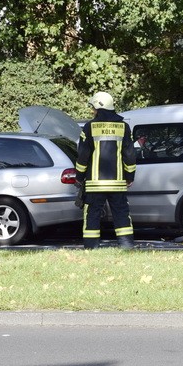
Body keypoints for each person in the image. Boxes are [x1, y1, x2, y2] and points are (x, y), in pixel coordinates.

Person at [75, 91, 136, 249]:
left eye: (93, 108)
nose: (92, 111)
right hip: (117, 183)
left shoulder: (89, 127)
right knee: (121, 213)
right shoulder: (124, 127)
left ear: (98, 107)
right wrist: (130, 176)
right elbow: (129, 155)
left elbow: (83, 155)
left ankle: (91, 247)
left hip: (95, 184)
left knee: (92, 215)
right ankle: (126, 246)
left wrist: (79, 177)